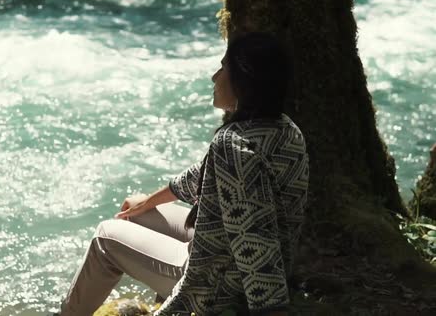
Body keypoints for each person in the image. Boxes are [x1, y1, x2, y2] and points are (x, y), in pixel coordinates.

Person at [57, 32, 309, 316]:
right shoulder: (284, 129)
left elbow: (253, 236)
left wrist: (269, 308)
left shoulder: (234, 145)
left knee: (105, 236)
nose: (215, 77)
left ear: (243, 80)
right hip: (224, 260)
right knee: (137, 210)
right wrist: (148, 201)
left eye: (223, 68)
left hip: (215, 287)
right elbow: (200, 178)